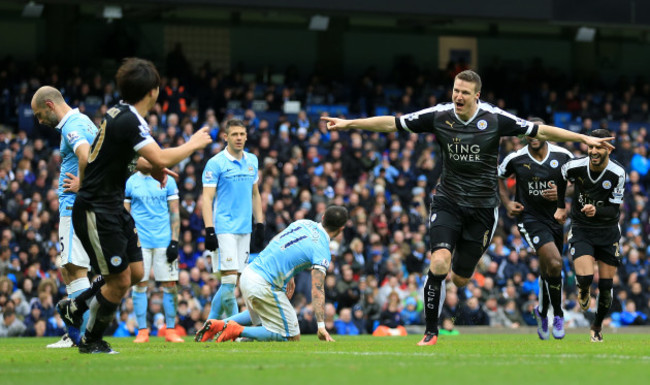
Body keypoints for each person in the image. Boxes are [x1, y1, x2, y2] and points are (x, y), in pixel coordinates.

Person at [322, 69, 613, 346]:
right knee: (439, 263)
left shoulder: (495, 118)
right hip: (448, 200)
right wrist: (349, 124)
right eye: (455, 91)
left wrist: (583, 138)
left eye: (464, 92)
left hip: (483, 210)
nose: (458, 96)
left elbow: (540, 130)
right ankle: (430, 332)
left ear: (477, 95)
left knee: (461, 279)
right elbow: (394, 123)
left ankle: (456, 263)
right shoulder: (439, 115)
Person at [57, 58, 212, 354]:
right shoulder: (129, 120)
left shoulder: (120, 113)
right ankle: (91, 341)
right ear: (154, 91)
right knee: (119, 282)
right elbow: (163, 158)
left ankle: (74, 307)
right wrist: (193, 143)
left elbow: (118, 159)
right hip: (96, 210)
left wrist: (147, 168)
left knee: (137, 273)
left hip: (112, 207)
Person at [194, 205, 348, 343]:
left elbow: (278, 240)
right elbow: (317, 289)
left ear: (322, 218)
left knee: (263, 315)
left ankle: (220, 324)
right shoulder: (322, 250)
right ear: (341, 229)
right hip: (263, 283)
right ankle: (237, 330)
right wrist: (321, 326)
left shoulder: (304, 223)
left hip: (250, 273)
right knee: (291, 336)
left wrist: (291, 274)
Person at [30, 86, 97, 348]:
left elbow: (85, 152)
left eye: (38, 114)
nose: (38, 121)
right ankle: (75, 334)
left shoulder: (73, 125)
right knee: (70, 268)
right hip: (78, 207)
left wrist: (84, 182)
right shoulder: (85, 121)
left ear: (49, 104)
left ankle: (85, 336)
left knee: (75, 267)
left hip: (74, 206)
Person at [497, 117, 573, 340]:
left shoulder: (563, 156)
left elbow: (577, 183)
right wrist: (508, 202)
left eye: (538, 131)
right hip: (529, 219)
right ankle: (558, 315)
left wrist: (561, 195)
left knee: (549, 269)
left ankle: (541, 312)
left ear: (546, 133)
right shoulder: (516, 158)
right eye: (529, 132)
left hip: (556, 219)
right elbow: (499, 177)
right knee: (555, 262)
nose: (533, 136)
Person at [556, 129, 626, 342]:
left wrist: (598, 210)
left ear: (608, 149)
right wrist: (561, 206)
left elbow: (615, 210)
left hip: (608, 231)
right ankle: (583, 289)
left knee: (605, 288)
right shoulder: (575, 166)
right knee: (585, 277)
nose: (593, 151)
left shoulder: (617, 173)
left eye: (598, 147)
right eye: (591, 146)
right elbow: (560, 178)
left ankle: (596, 326)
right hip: (582, 229)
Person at [202, 119, 264, 321]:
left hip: (244, 229)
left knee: (233, 282)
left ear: (246, 136)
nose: (239, 138)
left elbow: (255, 194)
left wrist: (260, 224)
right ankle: (233, 328)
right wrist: (209, 229)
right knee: (228, 282)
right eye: (234, 134)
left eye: (242, 134)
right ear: (225, 137)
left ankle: (211, 323)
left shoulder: (252, 161)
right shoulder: (216, 163)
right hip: (224, 228)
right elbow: (207, 198)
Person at [124, 170, 183, 343]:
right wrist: (126, 241)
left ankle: (170, 330)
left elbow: (175, 212)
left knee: (170, 285)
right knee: (139, 285)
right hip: (139, 242)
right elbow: (125, 215)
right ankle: (142, 331)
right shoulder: (131, 182)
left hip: (163, 241)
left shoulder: (168, 181)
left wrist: (174, 241)